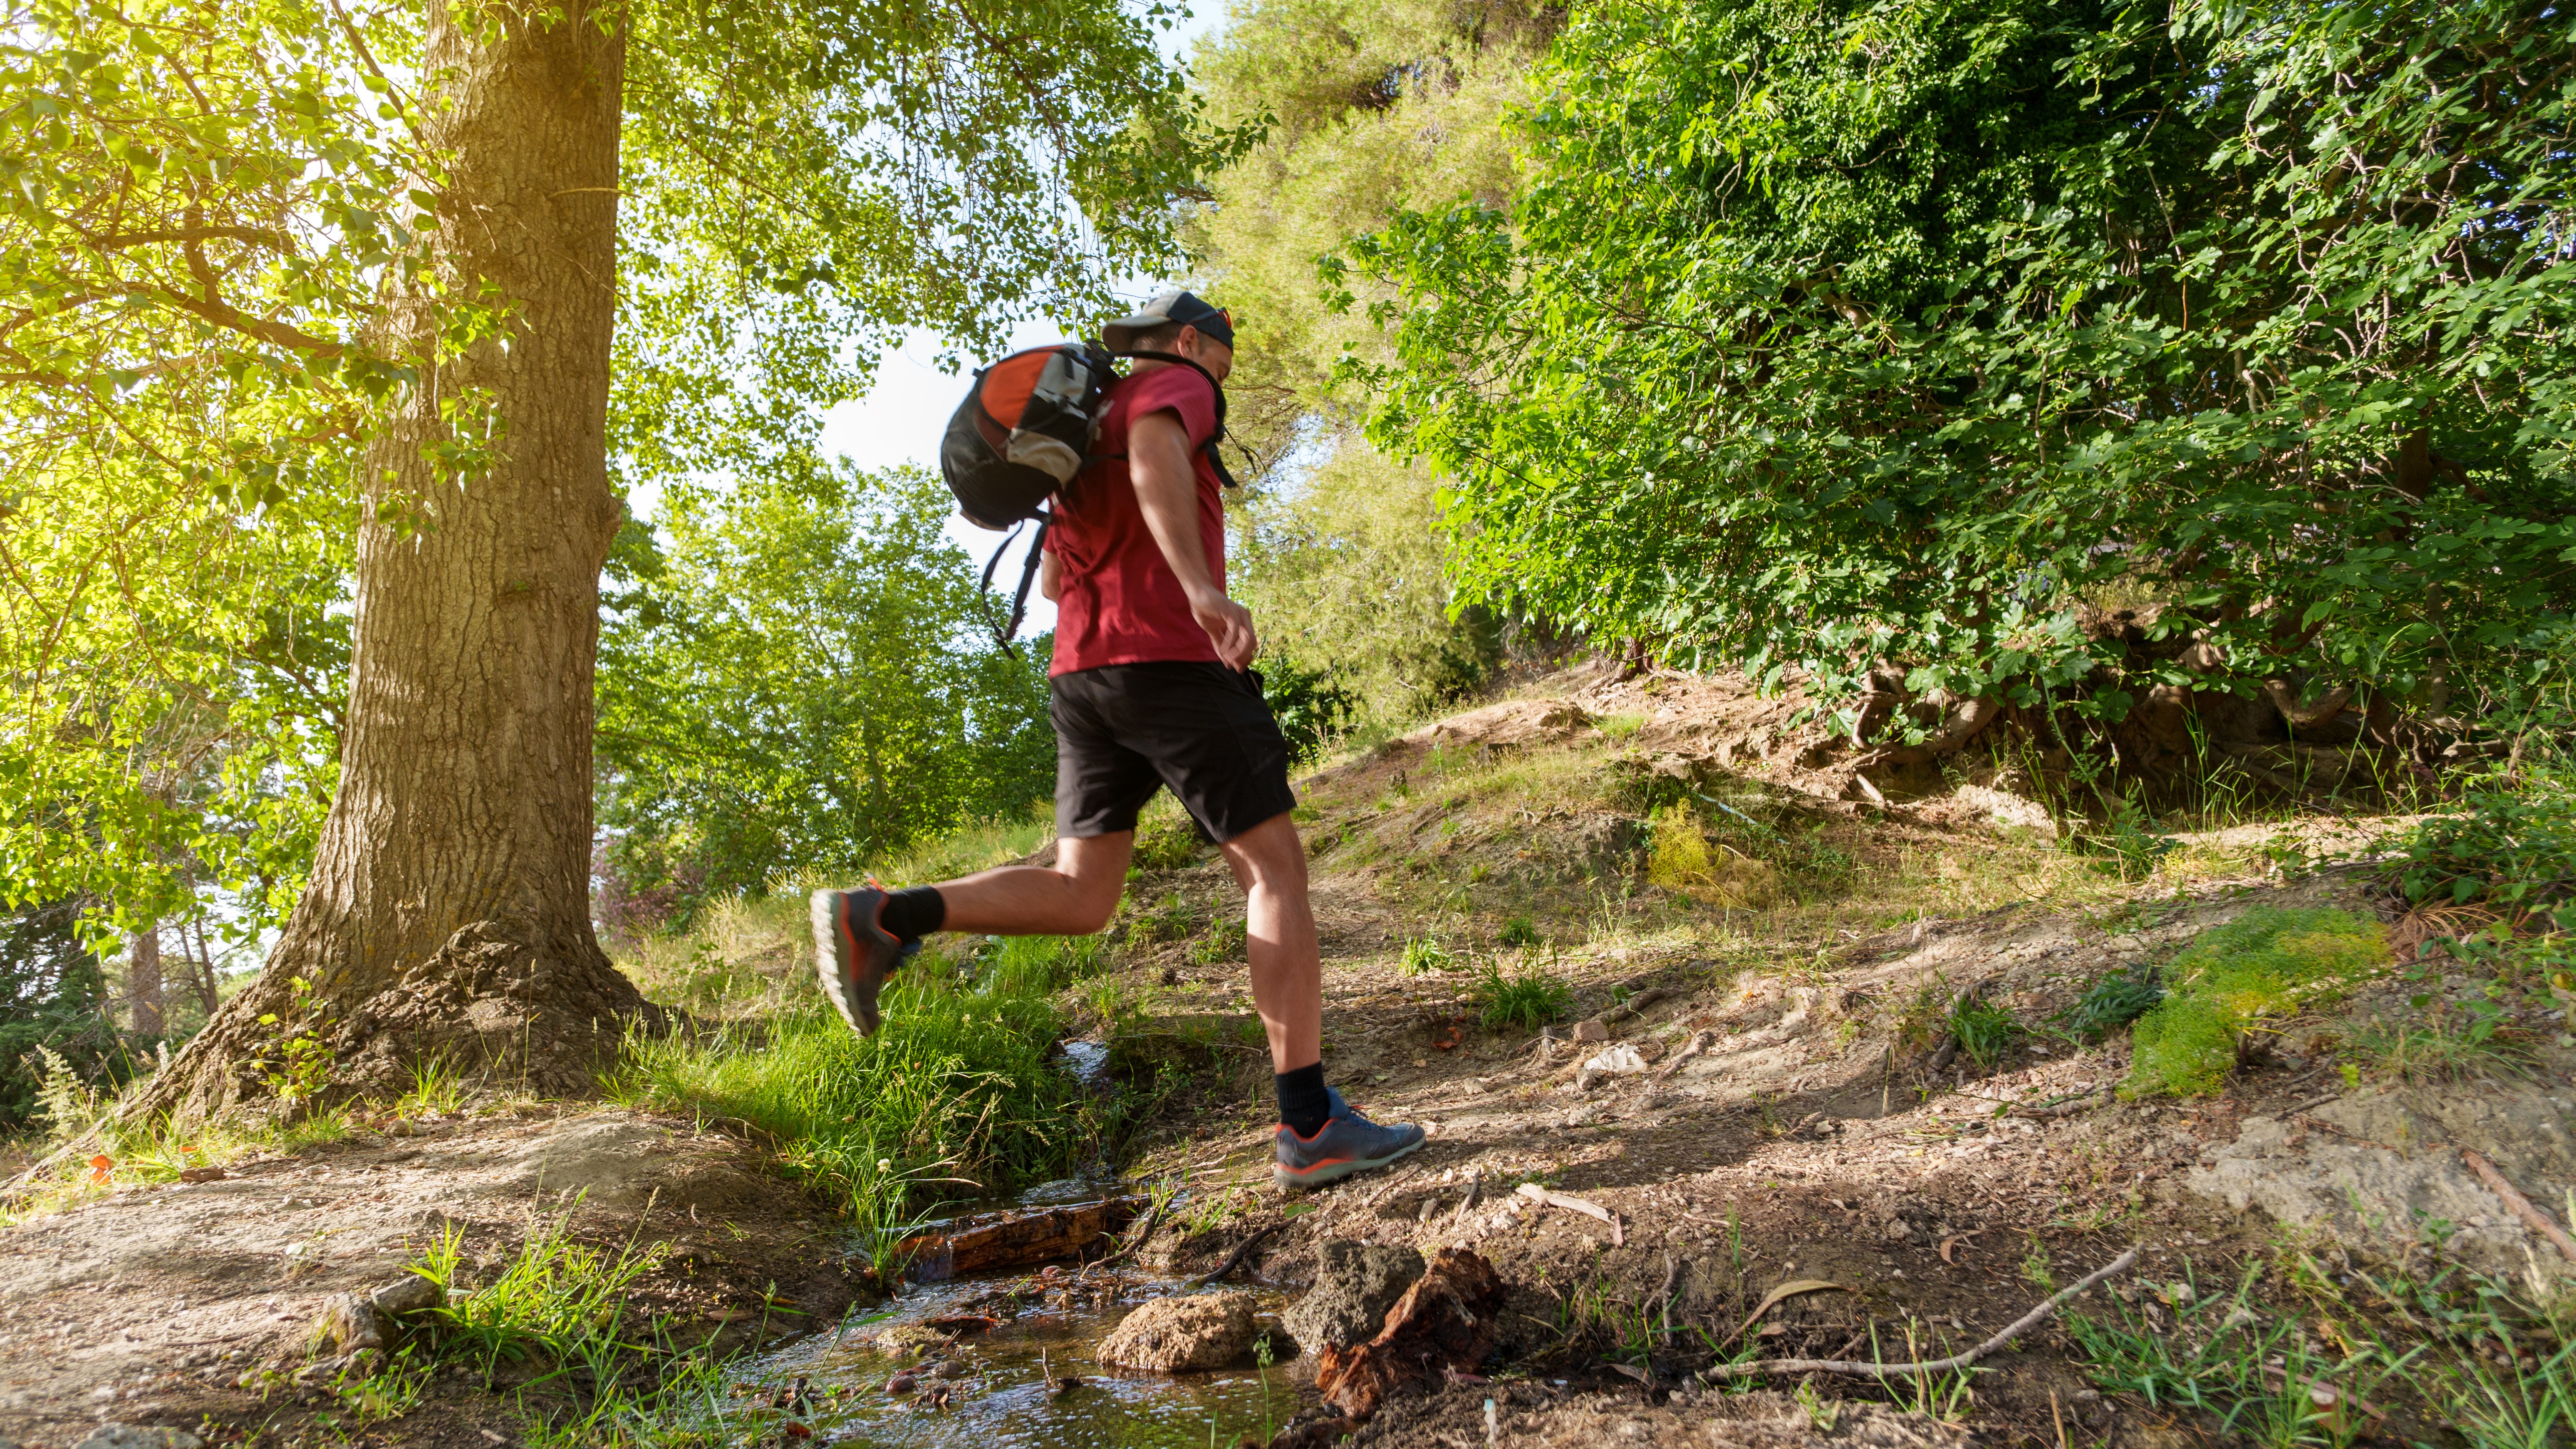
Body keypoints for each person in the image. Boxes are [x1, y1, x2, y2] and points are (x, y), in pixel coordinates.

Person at [811, 290, 1424, 1189]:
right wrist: (1199, 589)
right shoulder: (1168, 386)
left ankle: (887, 916)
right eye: (1225, 354)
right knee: (1272, 871)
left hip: (1082, 675)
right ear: (1189, 340)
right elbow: (1154, 457)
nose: (1225, 373)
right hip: (1168, 659)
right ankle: (1311, 1124)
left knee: (1081, 889)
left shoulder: (1075, 427)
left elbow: (1058, 581)